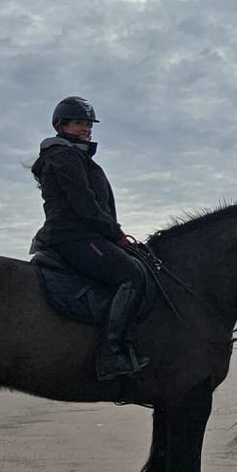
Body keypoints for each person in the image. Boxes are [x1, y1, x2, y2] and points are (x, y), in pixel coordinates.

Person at [30, 96, 149, 381]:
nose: (86, 129)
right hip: (74, 235)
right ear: (61, 125)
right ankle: (111, 354)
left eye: (88, 124)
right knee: (132, 275)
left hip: (86, 234)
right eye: (80, 123)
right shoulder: (64, 155)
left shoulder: (75, 156)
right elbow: (85, 205)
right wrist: (116, 235)